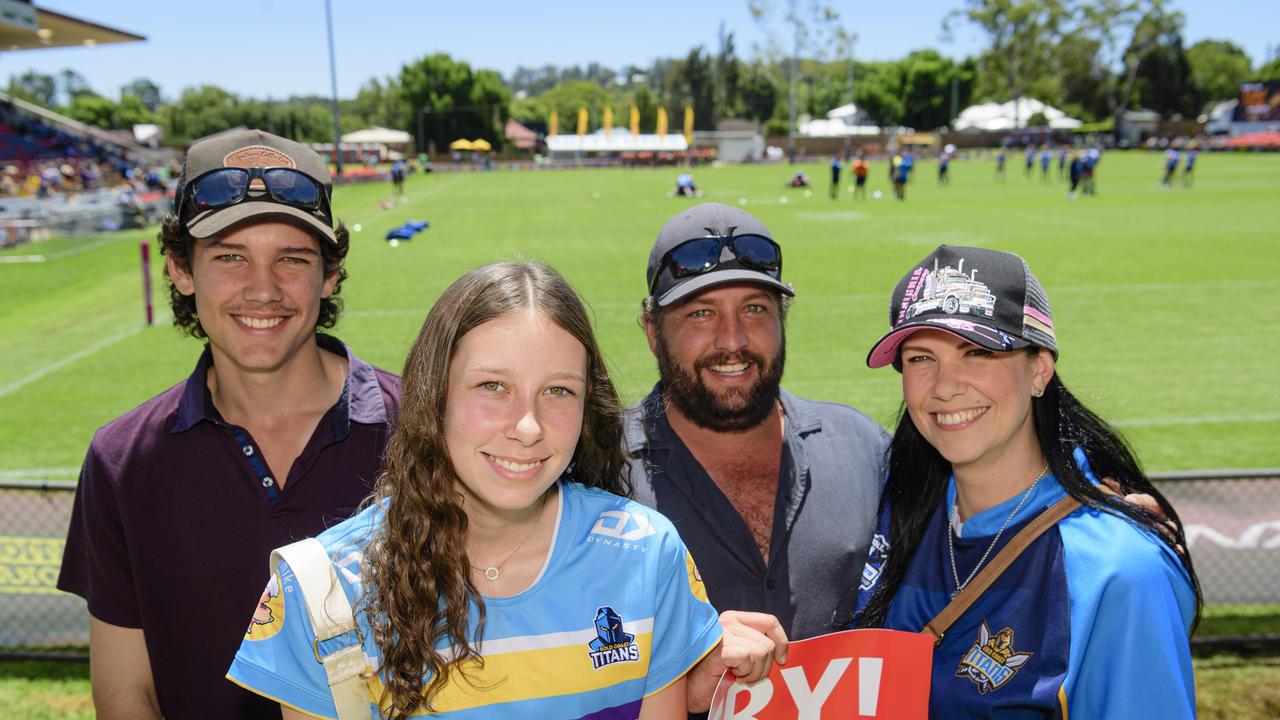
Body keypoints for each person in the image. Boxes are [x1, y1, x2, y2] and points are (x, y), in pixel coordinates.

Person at [228, 261, 771, 718]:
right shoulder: (322, 588)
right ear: (434, 393)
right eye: (493, 386)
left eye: (558, 391)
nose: (528, 426)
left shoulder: (646, 552)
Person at [56, 129, 400, 719]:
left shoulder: (422, 432)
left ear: (330, 275)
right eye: (230, 257)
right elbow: (125, 693)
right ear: (181, 269)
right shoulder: (122, 460)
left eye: (292, 259)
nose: (262, 290)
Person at [856, 245, 1201, 718]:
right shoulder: (893, 508)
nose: (944, 386)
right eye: (920, 358)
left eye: (976, 351)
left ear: (1039, 368)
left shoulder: (1117, 571)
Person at [626, 203, 890, 700]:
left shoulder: (865, 450)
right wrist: (675, 674)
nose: (733, 340)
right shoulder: (599, 475)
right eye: (701, 313)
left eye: (755, 309)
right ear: (652, 330)